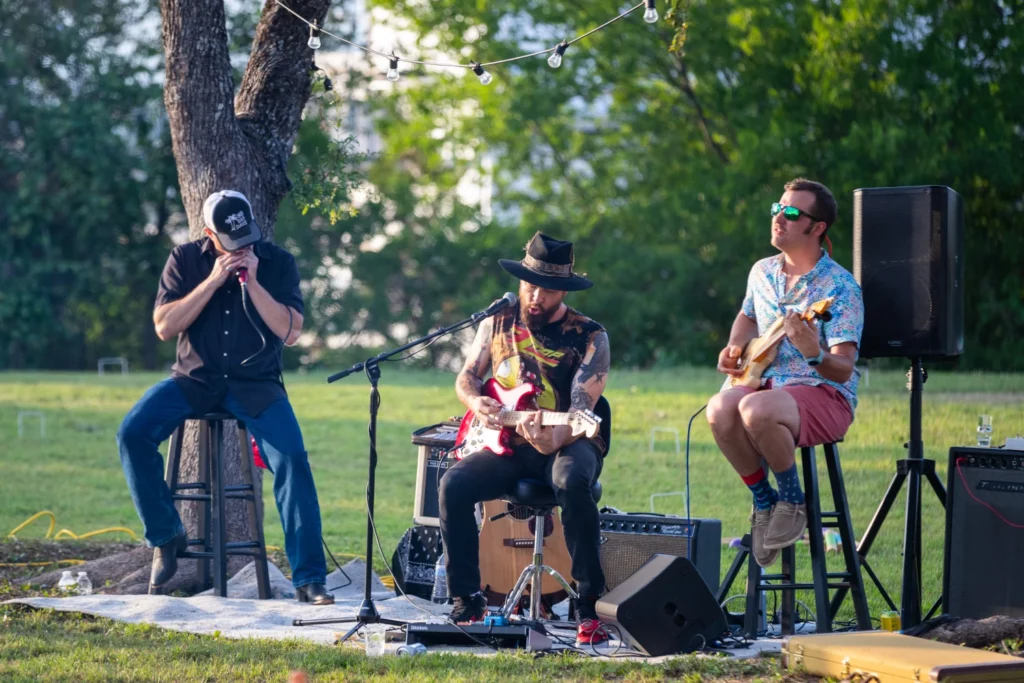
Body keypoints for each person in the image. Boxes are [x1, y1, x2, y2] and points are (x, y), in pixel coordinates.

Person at [117, 190, 333, 604]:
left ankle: (309, 578)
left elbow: (291, 331)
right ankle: (166, 535)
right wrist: (213, 281)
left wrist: (252, 281)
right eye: (232, 242)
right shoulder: (184, 259)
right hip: (194, 380)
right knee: (133, 433)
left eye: (247, 237)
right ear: (208, 234)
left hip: (257, 385)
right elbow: (164, 326)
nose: (243, 248)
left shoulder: (278, 263)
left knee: (292, 459)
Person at [439, 232, 611, 645]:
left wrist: (554, 437)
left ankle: (590, 607)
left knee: (571, 482)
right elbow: (467, 377)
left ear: (563, 290)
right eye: (530, 285)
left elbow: (581, 409)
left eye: (547, 290)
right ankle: (467, 600)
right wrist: (478, 402)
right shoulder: (496, 321)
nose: (535, 296)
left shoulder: (589, 336)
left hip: (567, 439)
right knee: (453, 485)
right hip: (509, 440)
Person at [707, 178, 864, 568]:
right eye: (777, 208)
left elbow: (843, 369)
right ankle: (765, 501)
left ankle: (793, 500)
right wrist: (735, 349)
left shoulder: (841, 287)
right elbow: (747, 317)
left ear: (817, 227)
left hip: (823, 394)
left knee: (756, 411)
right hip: (764, 384)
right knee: (719, 408)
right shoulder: (761, 271)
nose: (779, 217)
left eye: (792, 213)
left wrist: (813, 352)